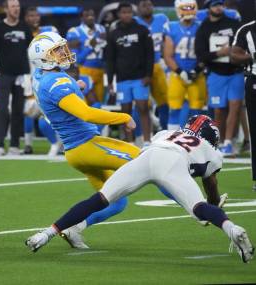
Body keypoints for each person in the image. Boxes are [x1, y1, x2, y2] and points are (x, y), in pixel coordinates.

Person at [25, 115, 255, 264]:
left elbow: (154, 147)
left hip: (148, 157)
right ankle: (233, 230)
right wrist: (213, 210)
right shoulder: (212, 152)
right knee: (199, 208)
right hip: (173, 163)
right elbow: (211, 185)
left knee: (101, 199)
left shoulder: (166, 132)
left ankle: (45, 234)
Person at [27, 31, 174, 249]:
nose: (62, 53)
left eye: (60, 48)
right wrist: (123, 117)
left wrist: (76, 85)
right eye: (56, 51)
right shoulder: (55, 82)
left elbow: (56, 95)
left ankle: (74, 228)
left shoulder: (40, 77)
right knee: (151, 161)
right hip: (87, 144)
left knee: (116, 202)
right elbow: (87, 114)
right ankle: (199, 206)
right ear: (42, 58)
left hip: (75, 153)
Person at [195, 0, 243, 157]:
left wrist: (235, 53)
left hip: (235, 71)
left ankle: (229, 142)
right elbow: (200, 55)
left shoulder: (233, 23)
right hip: (216, 73)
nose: (219, 7)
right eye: (215, 5)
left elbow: (243, 44)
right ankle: (219, 141)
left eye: (221, 4)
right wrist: (218, 53)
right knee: (219, 110)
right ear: (208, 8)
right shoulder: (204, 28)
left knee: (235, 106)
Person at [0, 0, 33, 155]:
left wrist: (31, 75)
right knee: (2, 110)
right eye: (13, 6)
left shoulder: (25, 28)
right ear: (6, 9)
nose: (16, 9)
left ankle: (14, 145)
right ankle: (0, 145)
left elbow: (30, 53)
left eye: (18, 6)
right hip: (3, 75)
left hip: (22, 75)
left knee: (18, 110)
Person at [106, 2, 154, 145]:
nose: (126, 15)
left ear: (132, 13)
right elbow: (110, 59)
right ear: (119, 14)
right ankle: (130, 142)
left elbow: (149, 54)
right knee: (125, 112)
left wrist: (148, 75)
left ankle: (147, 141)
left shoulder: (142, 30)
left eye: (129, 12)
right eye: (123, 12)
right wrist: (110, 81)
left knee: (143, 108)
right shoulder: (114, 34)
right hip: (122, 79)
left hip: (140, 78)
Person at [164, 0, 206, 130]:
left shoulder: (201, 26)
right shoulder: (171, 27)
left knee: (196, 111)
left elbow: (207, 52)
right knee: (174, 108)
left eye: (190, 7)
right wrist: (180, 71)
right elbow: (168, 56)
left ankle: (195, 141)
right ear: (178, 9)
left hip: (197, 74)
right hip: (177, 75)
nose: (188, 11)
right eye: (185, 8)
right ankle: (172, 140)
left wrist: (197, 69)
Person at [23, 6, 58, 154]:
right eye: (31, 16)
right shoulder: (21, 32)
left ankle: (58, 143)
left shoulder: (49, 30)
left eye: (36, 15)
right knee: (28, 112)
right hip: (28, 76)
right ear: (26, 18)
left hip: (46, 75)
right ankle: (28, 144)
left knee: (50, 113)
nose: (34, 19)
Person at [135, 0, 169, 130]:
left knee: (164, 100)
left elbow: (168, 40)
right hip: (141, 68)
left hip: (159, 64)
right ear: (138, 8)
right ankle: (141, 135)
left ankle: (165, 130)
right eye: (143, 5)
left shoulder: (162, 19)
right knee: (141, 102)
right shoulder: (134, 22)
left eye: (149, 5)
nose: (147, 8)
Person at [231, 20, 256, 190]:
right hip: (254, 80)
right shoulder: (247, 29)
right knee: (255, 129)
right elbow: (234, 55)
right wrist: (251, 56)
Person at [66, 8, 106, 105]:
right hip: (84, 70)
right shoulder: (75, 32)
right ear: (81, 17)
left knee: (99, 104)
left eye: (92, 15)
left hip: (100, 70)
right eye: (87, 15)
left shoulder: (101, 29)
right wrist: (90, 47)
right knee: (85, 103)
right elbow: (76, 59)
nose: (90, 17)